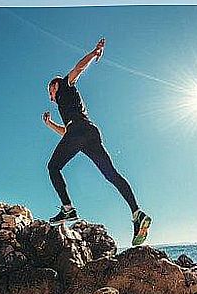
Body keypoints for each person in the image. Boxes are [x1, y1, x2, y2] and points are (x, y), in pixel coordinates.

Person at [43, 38, 152, 246]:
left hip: (78, 132)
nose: (51, 98)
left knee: (53, 167)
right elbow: (67, 134)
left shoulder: (65, 85)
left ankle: (68, 209)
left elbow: (78, 68)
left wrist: (94, 53)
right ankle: (137, 213)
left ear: (55, 85)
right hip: (88, 133)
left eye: (50, 92)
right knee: (111, 175)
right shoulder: (68, 106)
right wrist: (50, 124)